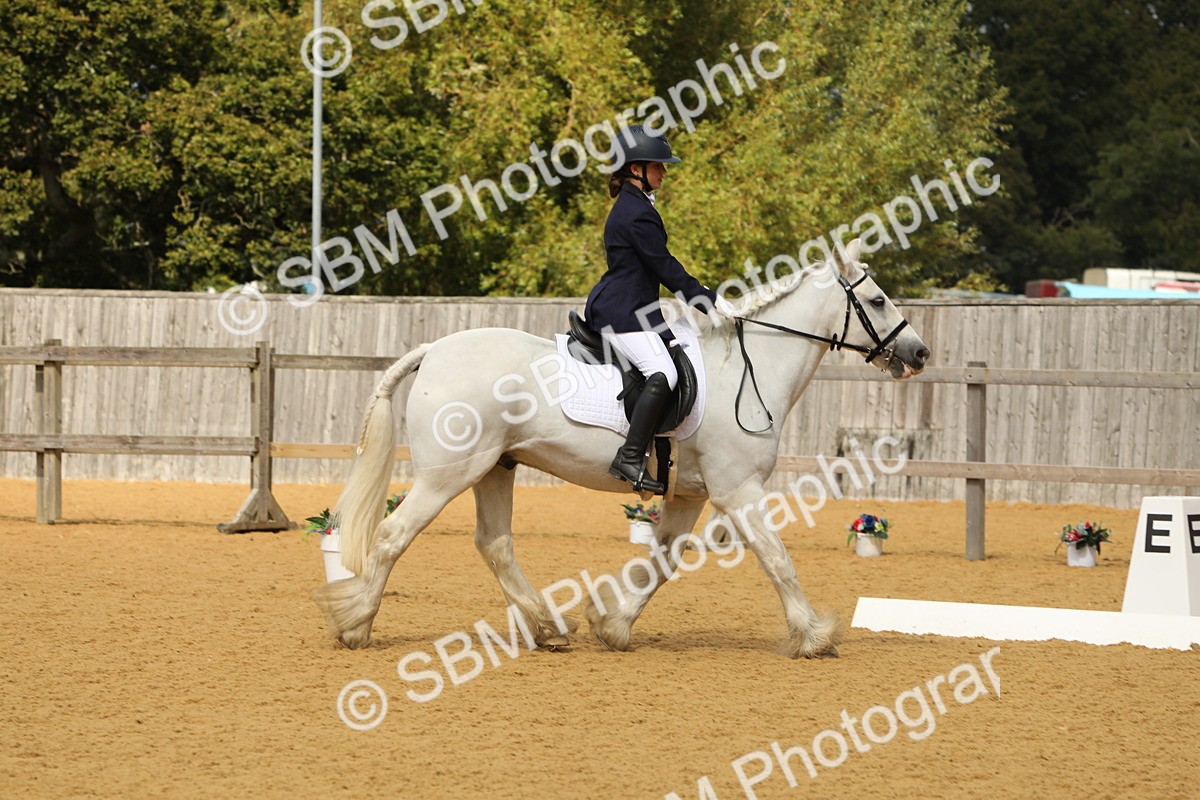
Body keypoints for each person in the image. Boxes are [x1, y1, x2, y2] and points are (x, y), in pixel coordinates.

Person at [583, 125, 735, 494]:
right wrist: (707, 299)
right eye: (658, 166)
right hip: (622, 313)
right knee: (663, 372)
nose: (664, 172)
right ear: (636, 169)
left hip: (636, 308)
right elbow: (664, 266)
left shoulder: (635, 206)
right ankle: (630, 456)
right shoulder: (636, 212)